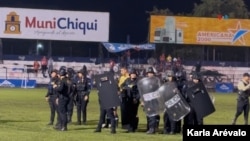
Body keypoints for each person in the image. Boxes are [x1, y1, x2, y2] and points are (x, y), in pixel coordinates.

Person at [120, 68, 140, 133]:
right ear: (130, 74)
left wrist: (136, 98)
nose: (133, 75)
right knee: (128, 113)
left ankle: (133, 127)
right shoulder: (127, 80)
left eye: (134, 74)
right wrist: (123, 88)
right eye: (132, 74)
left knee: (133, 114)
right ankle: (129, 127)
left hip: (134, 100)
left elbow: (140, 92)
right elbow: (122, 85)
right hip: (128, 99)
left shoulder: (138, 82)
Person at [143, 66, 160, 134]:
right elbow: (143, 91)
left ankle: (152, 128)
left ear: (153, 73)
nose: (150, 74)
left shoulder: (157, 81)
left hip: (154, 100)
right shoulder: (145, 81)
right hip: (147, 100)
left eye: (151, 73)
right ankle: (149, 127)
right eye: (148, 73)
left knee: (152, 114)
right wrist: (142, 100)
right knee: (148, 114)